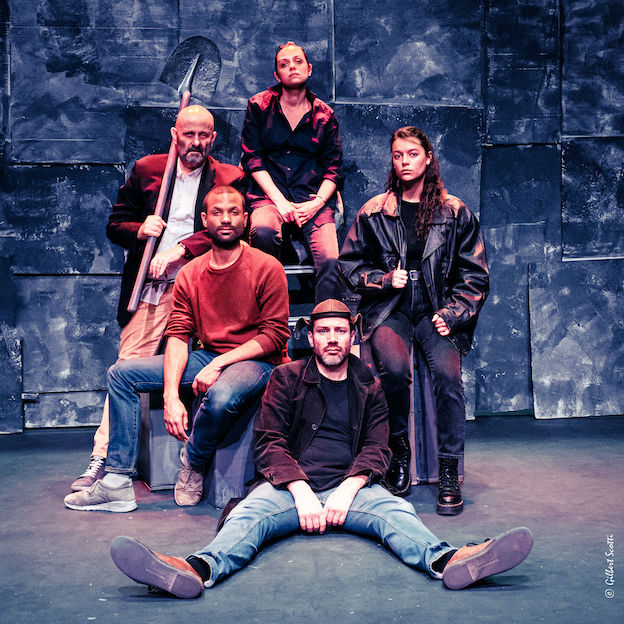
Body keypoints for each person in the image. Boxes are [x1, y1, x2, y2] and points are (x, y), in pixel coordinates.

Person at [108, 299, 531, 597]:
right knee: (248, 520)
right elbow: (268, 443)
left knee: (399, 515)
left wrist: (350, 487)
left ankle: (451, 561)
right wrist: (299, 489)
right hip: (290, 492)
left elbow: (378, 447)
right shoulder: (286, 378)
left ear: (352, 337)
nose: (332, 339)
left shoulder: (370, 384)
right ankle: (194, 569)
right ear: (311, 337)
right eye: (323, 331)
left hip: (353, 492)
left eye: (340, 331)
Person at [64, 185, 290, 511]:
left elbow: (274, 336)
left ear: (245, 219)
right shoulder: (190, 273)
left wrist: (219, 364)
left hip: (258, 359)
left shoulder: (267, 267)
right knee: (121, 374)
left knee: (222, 394)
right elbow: (178, 335)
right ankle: (116, 482)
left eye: (233, 212)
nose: (225, 219)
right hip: (209, 355)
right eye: (217, 212)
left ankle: (193, 459)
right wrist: (171, 395)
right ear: (205, 219)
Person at [71, 105, 245, 492]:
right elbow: (115, 225)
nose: (196, 143)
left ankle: (197, 465)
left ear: (213, 138)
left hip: (201, 289)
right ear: (175, 135)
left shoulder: (228, 177)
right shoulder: (148, 170)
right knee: (127, 366)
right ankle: (104, 458)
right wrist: (140, 228)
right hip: (151, 289)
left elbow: (230, 227)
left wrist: (181, 249)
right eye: (188, 135)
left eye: (204, 136)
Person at [339, 126, 489, 513]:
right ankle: (399, 452)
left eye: (411, 154)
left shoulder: (454, 211)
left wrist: (453, 314)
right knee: (393, 369)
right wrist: (384, 279)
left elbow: (474, 275)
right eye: (397, 156)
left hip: (435, 310)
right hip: (390, 309)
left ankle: (450, 470)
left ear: (427, 158)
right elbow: (350, 266)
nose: (404, 162)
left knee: (448, 377)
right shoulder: (374, 211)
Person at [240, 41, 344, 303]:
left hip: (312, 199)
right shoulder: (259, 106)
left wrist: (317, 203)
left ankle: (325, 326)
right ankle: (266, 316)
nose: (292, 67)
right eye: (284, 64)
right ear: (277, 75)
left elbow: (333, 167)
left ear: (309, 69)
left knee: (331, 260)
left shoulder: (325, 115)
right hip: (270, 197)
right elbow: (252, 159)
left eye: (297, 62)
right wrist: (280, 202)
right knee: (262, 232)